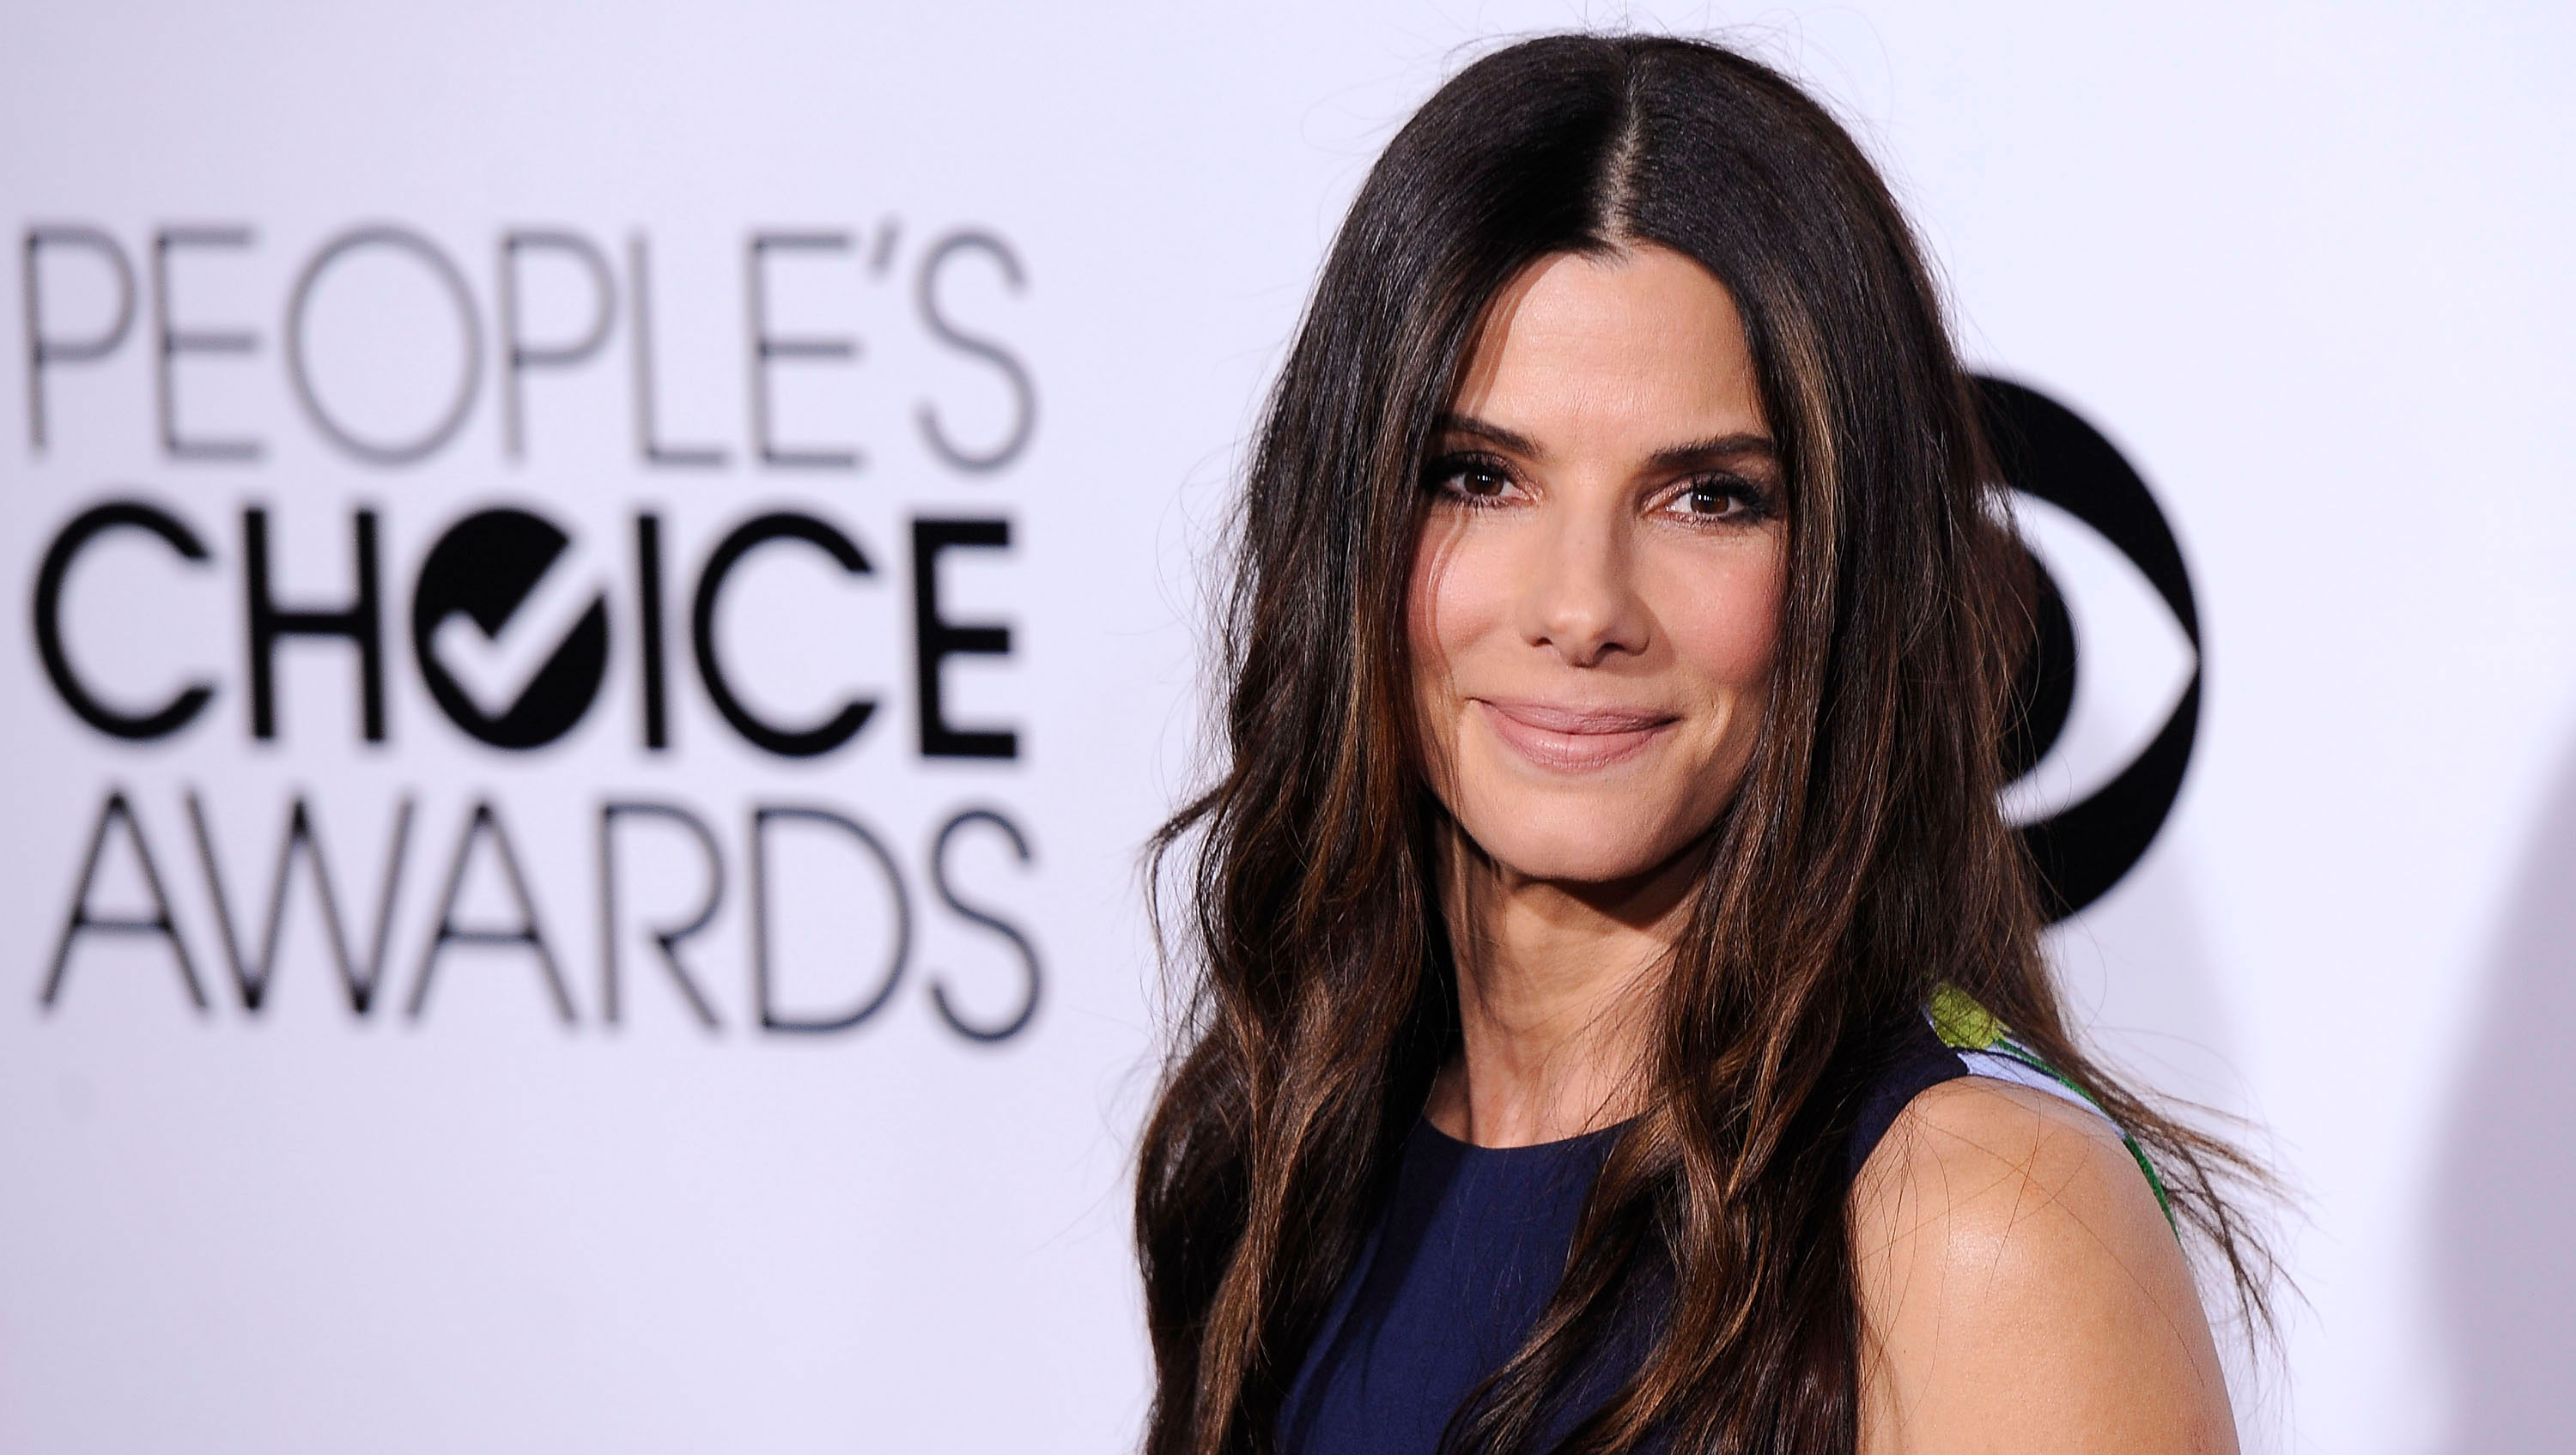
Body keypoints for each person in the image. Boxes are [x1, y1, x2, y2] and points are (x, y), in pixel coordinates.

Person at [1136, 33, 2272, 1455]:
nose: (1582, 608)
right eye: (1479, 478)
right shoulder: (1282, 1157)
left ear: (1850, 573)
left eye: (1710, 500)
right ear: (1348, 524)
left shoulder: (1982, 1225)